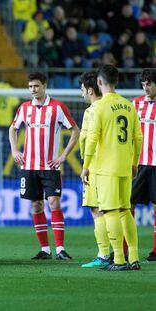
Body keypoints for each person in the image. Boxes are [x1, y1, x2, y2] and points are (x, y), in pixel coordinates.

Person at [9, 72, 80, 260]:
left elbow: (75, 130)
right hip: (29, 166)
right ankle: (45, 249)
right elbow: (13, 128)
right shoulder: (24, 108)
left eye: (36, 86)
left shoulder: (57, 107)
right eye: (30, 86)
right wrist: (15, 150)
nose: (33, 90)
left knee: (54, 202)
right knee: (36, 205)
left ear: (44, 86)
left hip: (50, 166)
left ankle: (60, 249)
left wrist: (64, 155)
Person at [81, 64, 142, 271]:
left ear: (99, 82)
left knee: (110, 211)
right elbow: (138, 137)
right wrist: (134, 163)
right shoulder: (129, 105)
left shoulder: (98, 107)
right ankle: (133, 257)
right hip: (126, 165)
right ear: (116, 80)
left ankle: (118, 259)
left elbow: (92, 138)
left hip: (106, 167)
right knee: (125, 210)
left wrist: (86, 165)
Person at [78, 72, 111, 268]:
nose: (81, 93)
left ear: (90, 90)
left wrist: (86, 166)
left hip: (95, 166)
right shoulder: (113, 107)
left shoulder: (92, 111)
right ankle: (120, 254)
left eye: (82, 90)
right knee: (115, 210)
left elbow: (88, 141)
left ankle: (104, 254)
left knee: (97, 210)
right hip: (113, 165)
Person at [131, 68, 156, 261]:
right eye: (143, 84)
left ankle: (155, 251)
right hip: (138, 163)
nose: (146, 87)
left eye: (149, 84)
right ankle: (126, 250)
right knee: (128, 205)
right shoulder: (135, 104)